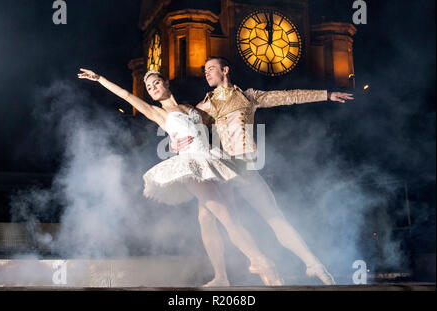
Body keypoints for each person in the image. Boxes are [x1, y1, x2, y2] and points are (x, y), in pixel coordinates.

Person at [77, 68, 284, 286]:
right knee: (225, 216)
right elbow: (126, 96)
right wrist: (100, 79)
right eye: (149, 87)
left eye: (156, 83)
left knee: (206, 219)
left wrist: (245, 141)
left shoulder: (190, 108)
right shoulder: (159, 113)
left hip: (211, 161)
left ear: (166, 83)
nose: (153, 88)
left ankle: (221, 276)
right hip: (191, 166)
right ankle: (260, 260)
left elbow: (222, 123)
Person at [171, 56, 355, 286]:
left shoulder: (247, 96)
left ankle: (314, 264)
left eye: (211, 69)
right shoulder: (205, 106)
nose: (206, 73)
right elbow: (184, 128)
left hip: (244, 167)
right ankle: (223, 276)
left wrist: (325, 94)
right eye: (205, 70)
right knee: (207, 218)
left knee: (273, 217)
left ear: (225, 70)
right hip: (221, 170)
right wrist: (174, 143)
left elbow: (288, 97)